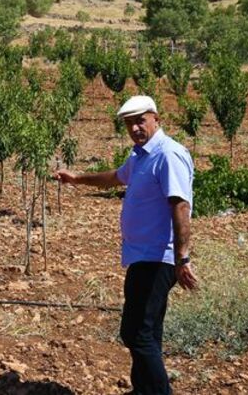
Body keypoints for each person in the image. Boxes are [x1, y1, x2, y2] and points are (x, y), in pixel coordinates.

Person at [55, 95, 197, 395]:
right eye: (129, 123)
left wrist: (182, 259)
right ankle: (144, 389)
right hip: (142, 255)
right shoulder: (140, 156)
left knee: (136, 333)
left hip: (159, 257)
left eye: (140, 120)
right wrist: (77, 178)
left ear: (156, 118)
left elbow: (181, 206)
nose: (134, 128)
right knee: (147, 330)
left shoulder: (168, 155)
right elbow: (115, 178)